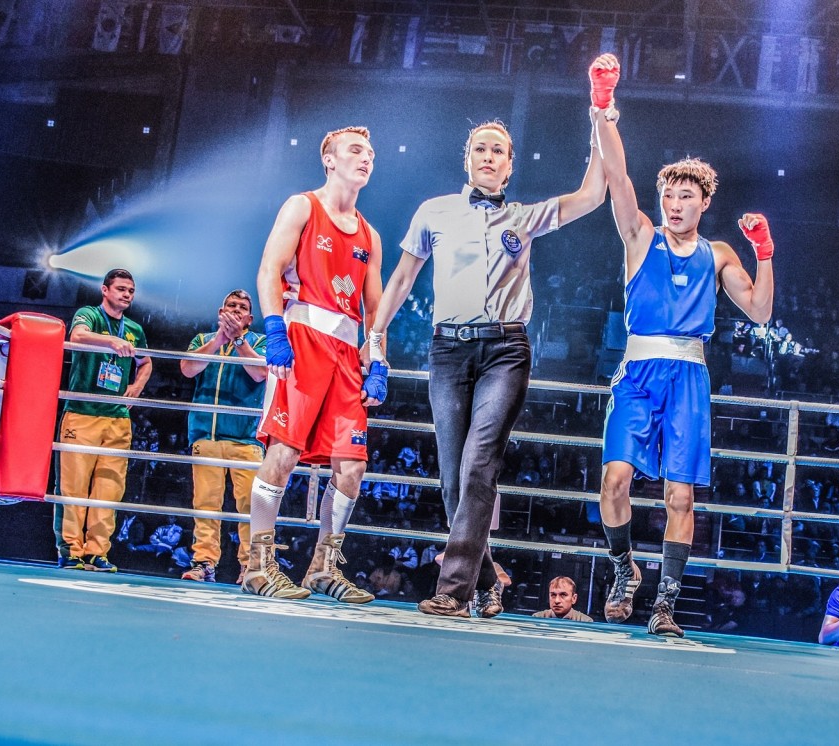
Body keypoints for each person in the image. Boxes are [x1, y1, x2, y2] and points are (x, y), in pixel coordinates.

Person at [364, 109, 606, 618]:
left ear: (510, 165)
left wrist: (600, 118)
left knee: (478, 466)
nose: (489, 156)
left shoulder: (524, 216)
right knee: (453, 478)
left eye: (498, 150)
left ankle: (452, 591)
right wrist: (375, 335)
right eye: (481, 148)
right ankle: (488, 580)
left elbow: (592, 196)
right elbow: (404, 277)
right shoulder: (434, 211)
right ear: (467, 159)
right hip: (447, 350)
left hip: (505, 350)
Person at [590, 53, 775, 637]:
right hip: (639, 371)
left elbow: (761, 310)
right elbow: (617, 176)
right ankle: (625, 570)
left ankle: (665, 603)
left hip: (689, 377)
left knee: (679, 498)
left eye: (685, 196)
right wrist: (603, 108)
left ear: (704, 202)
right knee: (614, 480)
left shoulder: (717, 254)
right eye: (668, 194)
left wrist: (764, 252)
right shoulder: (640, 236)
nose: (674, 203)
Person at [243, 125, 385, 602]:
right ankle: (258, 567)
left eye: (370, 152)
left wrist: (379, 360)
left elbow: (375, 310)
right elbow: (268, 267)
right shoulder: (302, 205)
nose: (365, 157)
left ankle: (323, 568)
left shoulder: (370, 234)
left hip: (347, 356)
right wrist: (274, 329)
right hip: (302, 340)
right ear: (329, 159)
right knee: (282, 454)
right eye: (355, 150)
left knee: (352, 466)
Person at [56, 268, 152, 571]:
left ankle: (98, 552)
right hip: (82, 412)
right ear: (105, 290)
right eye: (121, 288)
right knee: (73, 487)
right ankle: (70, 550)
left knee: (108, 489)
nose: (126, 294)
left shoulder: (135, 328)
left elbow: (145, 361)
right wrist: (110, 342)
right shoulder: (90, 315)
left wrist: (135, 389)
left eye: (131, 291)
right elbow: (77, 336)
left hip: (117, 418)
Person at [178, 290, 267, 583]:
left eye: (242, 308)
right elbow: (188, 369)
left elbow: (259, 374)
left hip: (247, 438)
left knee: (249, 506)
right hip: (207, 434)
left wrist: (238, 339)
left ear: (250, 318)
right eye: (232, 306)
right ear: (221, 311)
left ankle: (250, 566)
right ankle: (204, 563)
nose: (236, 310)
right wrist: (219, 340)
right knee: (205, 503)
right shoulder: (203, 339)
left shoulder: (259, 341)